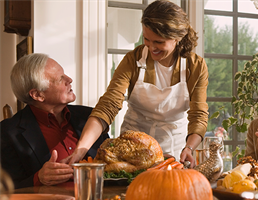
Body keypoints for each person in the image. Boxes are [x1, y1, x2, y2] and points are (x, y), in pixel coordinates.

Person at [66, 0, 209, 168]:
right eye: (147, 39)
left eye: (159, 42)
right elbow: (108, 105)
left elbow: (198, 115)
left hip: (175, 151)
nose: (151, 47)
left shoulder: (195, 66)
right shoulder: (133, 60)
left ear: (177, 38)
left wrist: (189, 148)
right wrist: (80, 150)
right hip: (132, 153)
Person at [0, 53, 109, 189]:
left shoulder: (90, 116)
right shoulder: (8, 132)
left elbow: (111, 166)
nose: (70, 80)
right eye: (60, 79)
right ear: (38, 95)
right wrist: (39, 178)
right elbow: (7, 189)